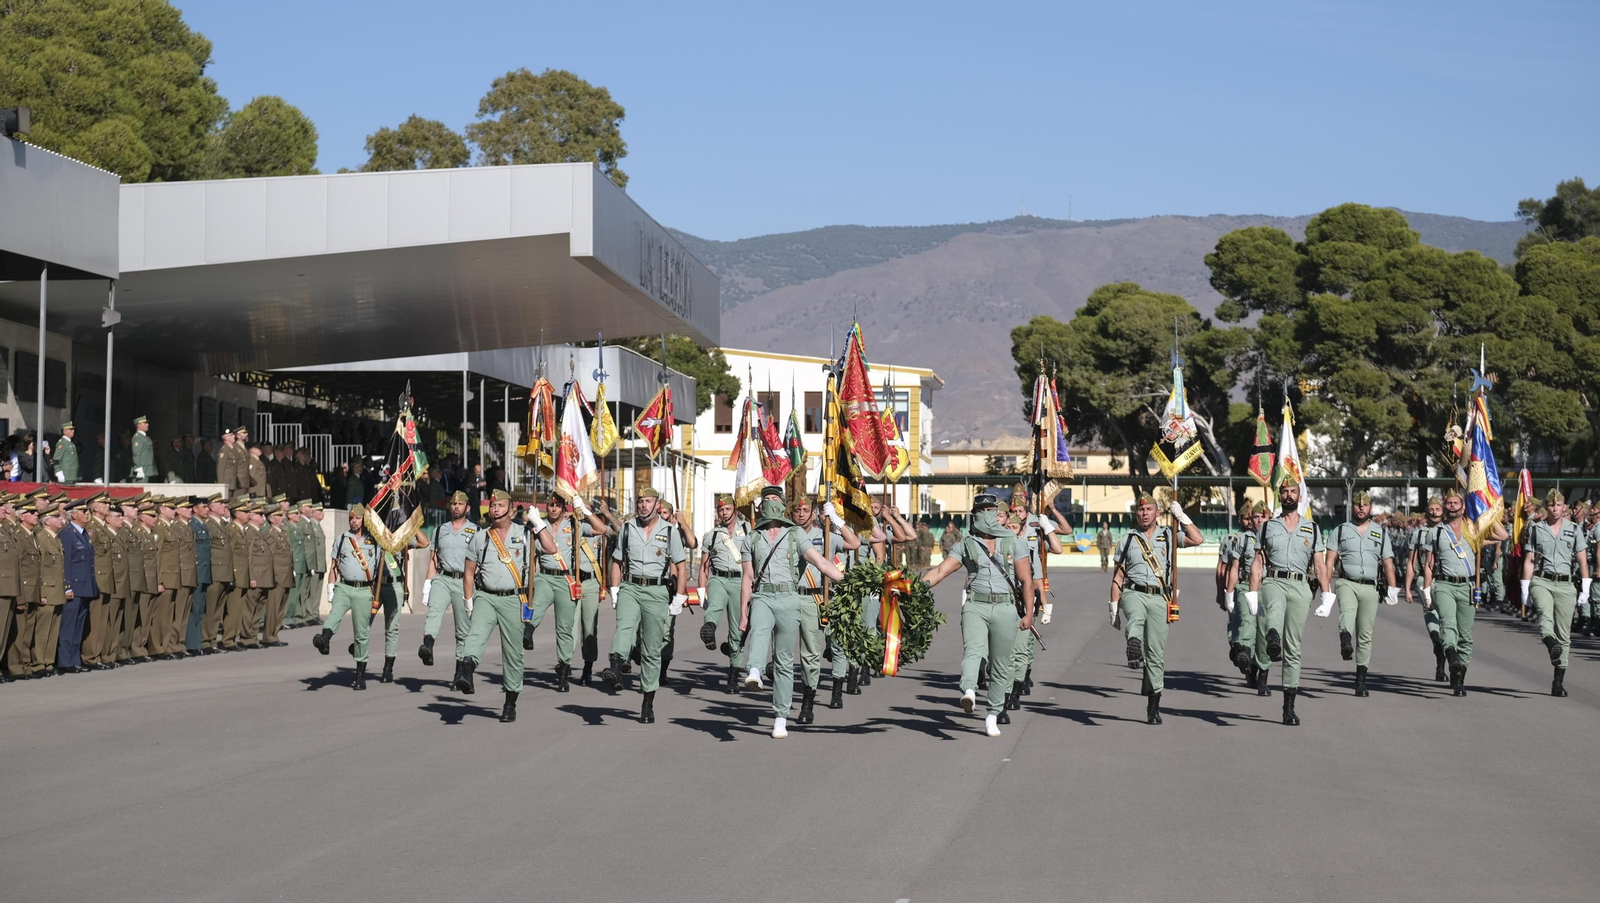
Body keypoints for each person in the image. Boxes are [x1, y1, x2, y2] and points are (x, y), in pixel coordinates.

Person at [737, 486, 847, 738]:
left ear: (782, 504)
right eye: (766, 500)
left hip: (789, 597)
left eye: (775, 499)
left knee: (785, 660)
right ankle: (754, 670)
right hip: (763, 594)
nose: (770, 503)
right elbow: (748, 577)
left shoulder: (795, 534)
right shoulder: (752, 538)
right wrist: (744, 613)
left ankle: (780, 717)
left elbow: (819, 561)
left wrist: (844, 579)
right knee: (760, 629)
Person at [923, 493, 1033, 737]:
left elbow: (1026, 580)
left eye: (989, 510)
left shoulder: (1014, 542)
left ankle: (992, 714)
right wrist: (917, 586)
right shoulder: (966, 544)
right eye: (980, 510)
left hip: (1006, 608)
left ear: (997, 513)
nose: (985, 514)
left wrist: (1029, 613)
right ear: (974, 514)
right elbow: (941, 570)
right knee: (974, 650)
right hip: (976, 605)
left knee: (1001, 664)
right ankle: (969, 691)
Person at [1110, 493, 1203, 724]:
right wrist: (1113, 607)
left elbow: (1197, 539)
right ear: (1136, 513)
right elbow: (1118, 576)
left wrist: (1181, 516)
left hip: (1160, 597)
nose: (1144, 513)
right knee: (1135, 617)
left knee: (1155, 654)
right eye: (1141, 510)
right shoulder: (1128, 539)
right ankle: (1133, 642)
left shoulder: (1169, 535)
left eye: (1149, 509)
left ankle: (1153, 703)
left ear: (1157, 512)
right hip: (1134, 592)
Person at [1246, 482, 1333, 725]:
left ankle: (1288, 706)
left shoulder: (1312, 528)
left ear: (1300, 495)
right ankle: (1273, 638)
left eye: (1293, 491)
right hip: (1274, 579)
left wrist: (1327, 594)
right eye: (1284, 492)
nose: (1288, 495)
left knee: (1293, 647)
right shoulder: (1267, 527)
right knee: (1273, 610)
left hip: (1301, 586)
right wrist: (1253, 592)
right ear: (1279, 495)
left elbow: (1319, 565)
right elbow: (1258, 562)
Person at [600, 488, 687, 724]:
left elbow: (680, 565)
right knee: (625, 626)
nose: (643, 505)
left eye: (648, 501)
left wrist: (679, 596)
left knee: (651, 649)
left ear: (657, 504)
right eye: (640, 501)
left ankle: (647, 702)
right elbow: (617, 562)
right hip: (631, 586)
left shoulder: (669, 532)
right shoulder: (628, 528)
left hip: (657, 591)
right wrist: (615, 589)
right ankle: (615, 666)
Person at [453, 490, 534, 722]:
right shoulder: (480, 537)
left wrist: (539, 524)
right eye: (493, 505)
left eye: (500, 505)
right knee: (475, 635)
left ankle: (510, 701)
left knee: (513, 654)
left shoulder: (526, 534)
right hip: (486, 596)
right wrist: (469, 601)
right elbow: (468, 572)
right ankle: (466, 671)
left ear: (511, 509)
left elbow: (548, 550)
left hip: (514, 599)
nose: (496, 509)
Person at [1421, 488, 1508, 697]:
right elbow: (1429, 564)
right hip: (1444, 585)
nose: (1452, 506)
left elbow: (1502, 535)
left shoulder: (1473, 531)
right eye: (1449, 503)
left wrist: (1484, 512)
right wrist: (1427, 589)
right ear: (1444, 507)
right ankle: (1450, 654)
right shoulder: (1436, 532)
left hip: (1468, 587)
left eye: (1456, 503)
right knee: (1448, 623)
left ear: (1463, 506)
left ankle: (1459, 675)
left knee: (1466, 635)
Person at [524, 491, 607, 692]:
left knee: (565, 627)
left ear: (564, 508)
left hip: (565, 578)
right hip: (543, 576)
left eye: (557, 505)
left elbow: (601, 529)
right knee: (535, 606)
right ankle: (528, 631)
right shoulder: (536, 524)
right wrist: (528, 583)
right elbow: (531, 558)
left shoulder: (574, 525)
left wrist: (585, 511)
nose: (553, 508)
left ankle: (563, 670)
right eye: (550, 505)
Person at [1322, 491, 1400, 696]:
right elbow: (1329, 562)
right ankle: (1346, 640)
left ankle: (1360, 679)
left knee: (1365, 634)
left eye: (1365, 505)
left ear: (1370, 508)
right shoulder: (1340, 531)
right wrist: (1325, 589)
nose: (1361, 508)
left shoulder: (1380, 532)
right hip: (1347, 581)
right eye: (1357, 505)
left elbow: (1387, 562)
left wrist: (1393, 588)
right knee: (1347, 612)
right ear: (1352, 507)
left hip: (1371, 587)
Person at [789, 493, 860, 712]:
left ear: (812, 513)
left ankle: (835, 690)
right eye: (797, 511)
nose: (801, 514)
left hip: (823, 595)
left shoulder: (825, 535)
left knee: (832, 645)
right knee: (798, 650)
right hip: (793, 596)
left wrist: (838, 522)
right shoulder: (786, 535)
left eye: (805, 511)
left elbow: (854, 543)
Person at [1521, 488, 1588, 697]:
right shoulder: (1536, 528)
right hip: (1542, 580)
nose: (1555, 508)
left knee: (1564, 635)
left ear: (1564, 507)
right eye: (1551, 505)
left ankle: (1558, 681)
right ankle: (1550, 642)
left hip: (1566, 584)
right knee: (1544, 614)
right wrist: (1525, 586)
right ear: (1546, 507)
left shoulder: (1574, 529)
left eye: (1558, 505)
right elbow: (1530, 559)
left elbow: (1582, 558)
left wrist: (1585, 585)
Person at [1005, 490, 1065, 711]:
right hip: (1003, 603)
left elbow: (1038, 577)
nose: (1011, 529)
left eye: (1015, 525)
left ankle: (1015, 691)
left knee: (1022, 649)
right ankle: (1006, 687)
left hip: (1025, 602)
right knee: (1005, 652)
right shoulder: (1000, 548)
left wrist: (1047, 525)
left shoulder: (1030, 551)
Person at [313, 505, 381, 688]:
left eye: (357, 518)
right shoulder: (342, 539)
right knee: (335, 614)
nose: (353, 521)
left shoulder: (374, 540)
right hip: (344, 586)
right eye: (351, 518)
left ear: (364, 520)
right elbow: (334, 566)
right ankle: (324, 638)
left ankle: (360, 674)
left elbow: (382, 567)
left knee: (361, 634)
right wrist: (330, 589)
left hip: (363, 590)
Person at [697, 493, 750, 692]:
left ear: (734, 510)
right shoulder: (711, 535)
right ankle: (708, 630)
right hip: (719, 578)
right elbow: (704, 566)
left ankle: (733, 676)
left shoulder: (748, 530)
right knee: (715, 606)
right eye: (721, 510)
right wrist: (702, 591)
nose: (724, 512)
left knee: (737, 631)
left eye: (727, 509)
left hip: (740, 581)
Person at [419, 492, 475, 668]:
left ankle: (460, 669)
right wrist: (427, 585)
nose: (456, 507)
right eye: (453, 504)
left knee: (462, 628)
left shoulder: (476, 531)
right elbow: (433, 560)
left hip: (463, 580)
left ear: (468, 508)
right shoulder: (440, 530)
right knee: (434, 611)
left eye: (460, 504)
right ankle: (428, 645)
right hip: (442, 577)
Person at [1406, 497, 1448, 681]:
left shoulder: (1451, 531)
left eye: (1437, 508)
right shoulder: (1418, 534)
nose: (1434, 512)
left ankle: (1444, 657)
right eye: (1431, 509)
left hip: (1446, 579)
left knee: (1447, 621)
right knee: (1432, 617)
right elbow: (1411, 562)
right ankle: (1438, 648)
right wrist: (1408, 587)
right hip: (1426, 580)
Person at [55, 499, 96, 673]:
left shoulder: (83, 532)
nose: (87, 514)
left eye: (87, 511)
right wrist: (67, 586)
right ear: (74, 515)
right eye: (83, 511)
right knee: (69, 625)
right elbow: (67, 563)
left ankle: (74, 658)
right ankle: (65, 661)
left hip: (86, 586)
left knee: (79, 626)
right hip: (75, 586)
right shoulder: (67, 533)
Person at [81, 493, 119, 670]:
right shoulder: (92, 527)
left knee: (103, 620)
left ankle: (99, 654)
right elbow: (90, 556)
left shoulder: (102, 526)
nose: (108, 506)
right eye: (104, 504)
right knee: (95, 621)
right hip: (98, 579)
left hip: (106, 578)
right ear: (94, 507)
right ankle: (90, 656)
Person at [33, 502, 66, 677]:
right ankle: (39, 663)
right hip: (47, 590)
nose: (61, 520)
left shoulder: (55, 538)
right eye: (57, 517)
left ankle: (48, 662)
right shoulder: (42, 539)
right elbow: (39, 568)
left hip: (57, 590)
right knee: (43, 630)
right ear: (47, 521)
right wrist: (42, 592)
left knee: (53, 629)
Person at [262, 506, 293, 648]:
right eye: (279, 516)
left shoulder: (281, 534)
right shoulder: (270, 535)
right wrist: (271, 576)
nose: (283, 518)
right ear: (271, 518)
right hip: (277, 577)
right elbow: (270, 557)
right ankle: (269, 636)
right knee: (273, 608)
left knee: (280, 608)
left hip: (285, 576)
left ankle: (275, 633)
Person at [129, 416, 155, 482]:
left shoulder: (144, 437)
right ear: (138, 425)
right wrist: (138, 467)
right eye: (145, 423)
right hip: (142, 470)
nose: (147, 424)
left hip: (147, 469)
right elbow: (136, 454)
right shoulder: (138, 437)